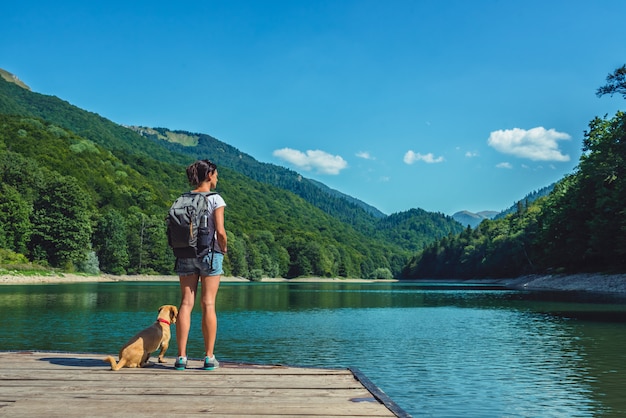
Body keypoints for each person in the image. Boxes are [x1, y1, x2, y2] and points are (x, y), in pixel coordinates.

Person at [174, 159, 227, 370]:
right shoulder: (216, 199)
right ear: (209, 175)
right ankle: (208, 357)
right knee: (208, 304)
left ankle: (180, 357)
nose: (217, 178)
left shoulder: (183, 198)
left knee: (186, 303)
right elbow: (221, 232)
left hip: (185, 252)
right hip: (210, 253)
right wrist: (223, 248)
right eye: (216, 174)